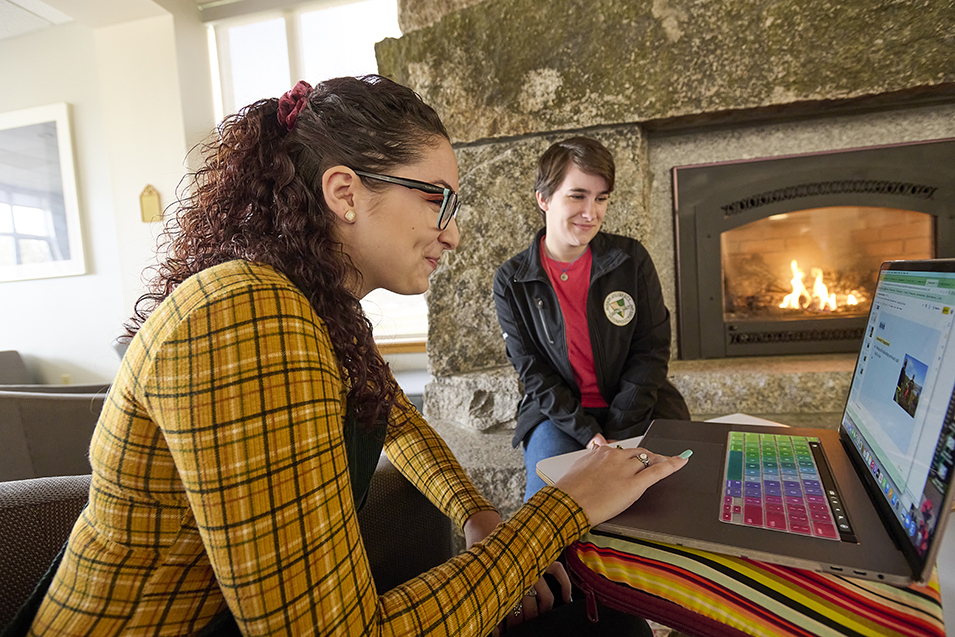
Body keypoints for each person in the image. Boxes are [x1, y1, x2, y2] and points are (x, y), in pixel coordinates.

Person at [22, 78, 689, 636]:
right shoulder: (244, 317)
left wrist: (480, 515)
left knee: (601, 617)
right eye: (437, 199)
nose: (452, 234)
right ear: (344, 193)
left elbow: (400, 418)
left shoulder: (315, 311)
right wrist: (560, 510)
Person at [494, 136, 691, 501]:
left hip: (639, 407)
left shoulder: (631, 260)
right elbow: (533, 372)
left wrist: (618, 431)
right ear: (544, 198)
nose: (592, 213)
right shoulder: (513, 280)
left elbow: (651, 352)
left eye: (601, 198)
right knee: (547, 509)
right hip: (560, 416)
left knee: (679, 496)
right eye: (577, 195)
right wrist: (587, 434)